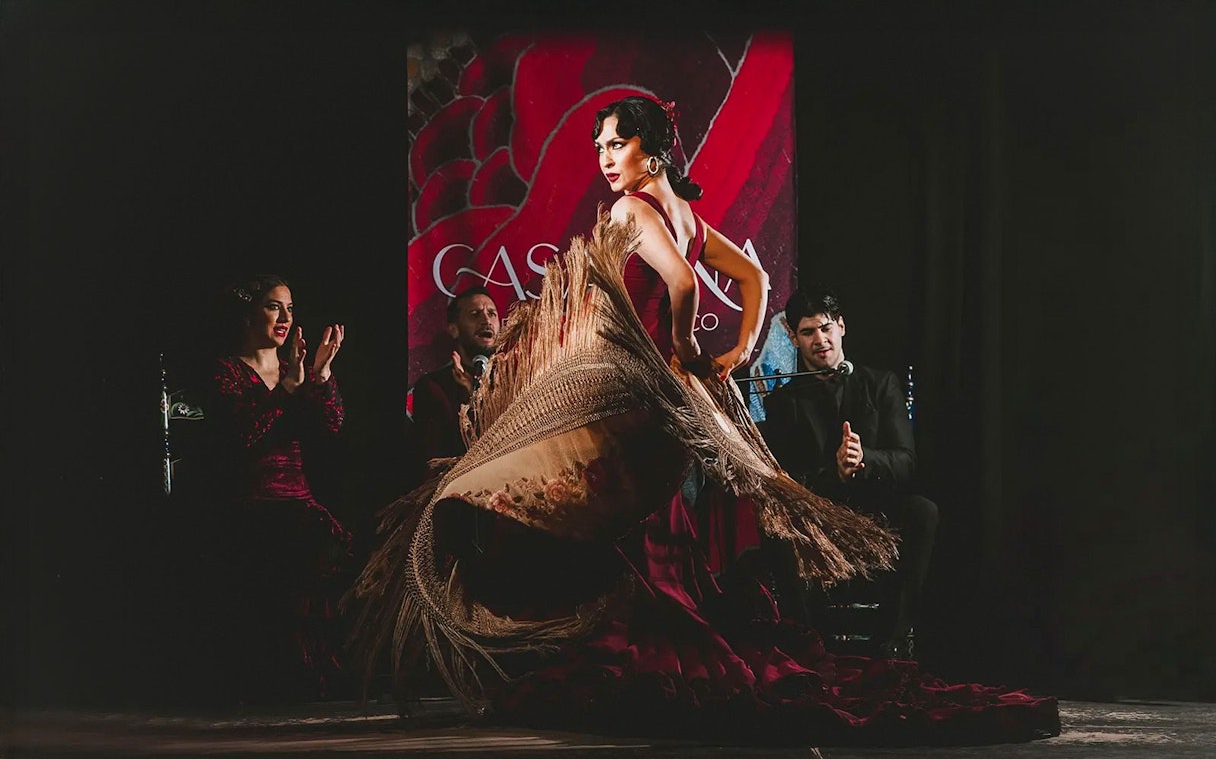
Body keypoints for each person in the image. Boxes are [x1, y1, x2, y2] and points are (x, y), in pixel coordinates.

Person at [347, 96, 1058, 746]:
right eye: (599, 146)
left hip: (644, 400)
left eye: (616, 145)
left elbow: (685, 285)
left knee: (608, 525)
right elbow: (754, 281)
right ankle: (601, 638)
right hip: (665, 406)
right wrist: (736, 349)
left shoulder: (632, 213)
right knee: (645, 532)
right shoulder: (682, 215)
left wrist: (687, 351)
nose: (603, 158)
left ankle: (602, 651)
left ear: (650, 153)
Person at [199, 273, 353, 704]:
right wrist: (288, 390)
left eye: (290, 308)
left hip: (297, 501)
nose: (285, 317)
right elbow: (246, 434)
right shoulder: (225, 371)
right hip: (250, 504)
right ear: (249, 314)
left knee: (319, 556)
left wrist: (320, 377)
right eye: (274, 307)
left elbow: (332, 425)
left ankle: (312, 684)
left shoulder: (295, 368)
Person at [763, 287, 937, 660]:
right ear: (793, 337)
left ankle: (890, 642)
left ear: (841, 327)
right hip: (817, 520)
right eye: (807, 332)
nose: (819, 340)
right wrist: (835, 474)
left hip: (876, 511)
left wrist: (865, 460)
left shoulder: (881, 384)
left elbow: (906, 461)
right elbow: (785, 481)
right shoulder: (781, 402)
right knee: (772, 526)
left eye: (825, 328)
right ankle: (810, 648)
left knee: (923, 511)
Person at [409, 285, 500, 467]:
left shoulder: (514, 381)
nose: (486, 320)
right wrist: (469, 395)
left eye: (492, 313)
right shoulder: (432, 387)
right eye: (475, 314)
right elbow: (435, 458)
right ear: (454, 329)